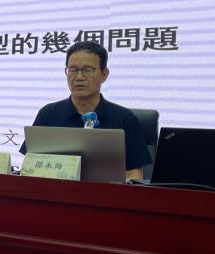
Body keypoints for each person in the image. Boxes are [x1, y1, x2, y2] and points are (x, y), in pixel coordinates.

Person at [21, 41, 151, 180]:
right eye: (73, 70)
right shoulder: (48, 114)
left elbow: (134, 174)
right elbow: (30, 166)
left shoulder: (124, 119)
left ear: (104, 74)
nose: (79, 77)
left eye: (87, 70)